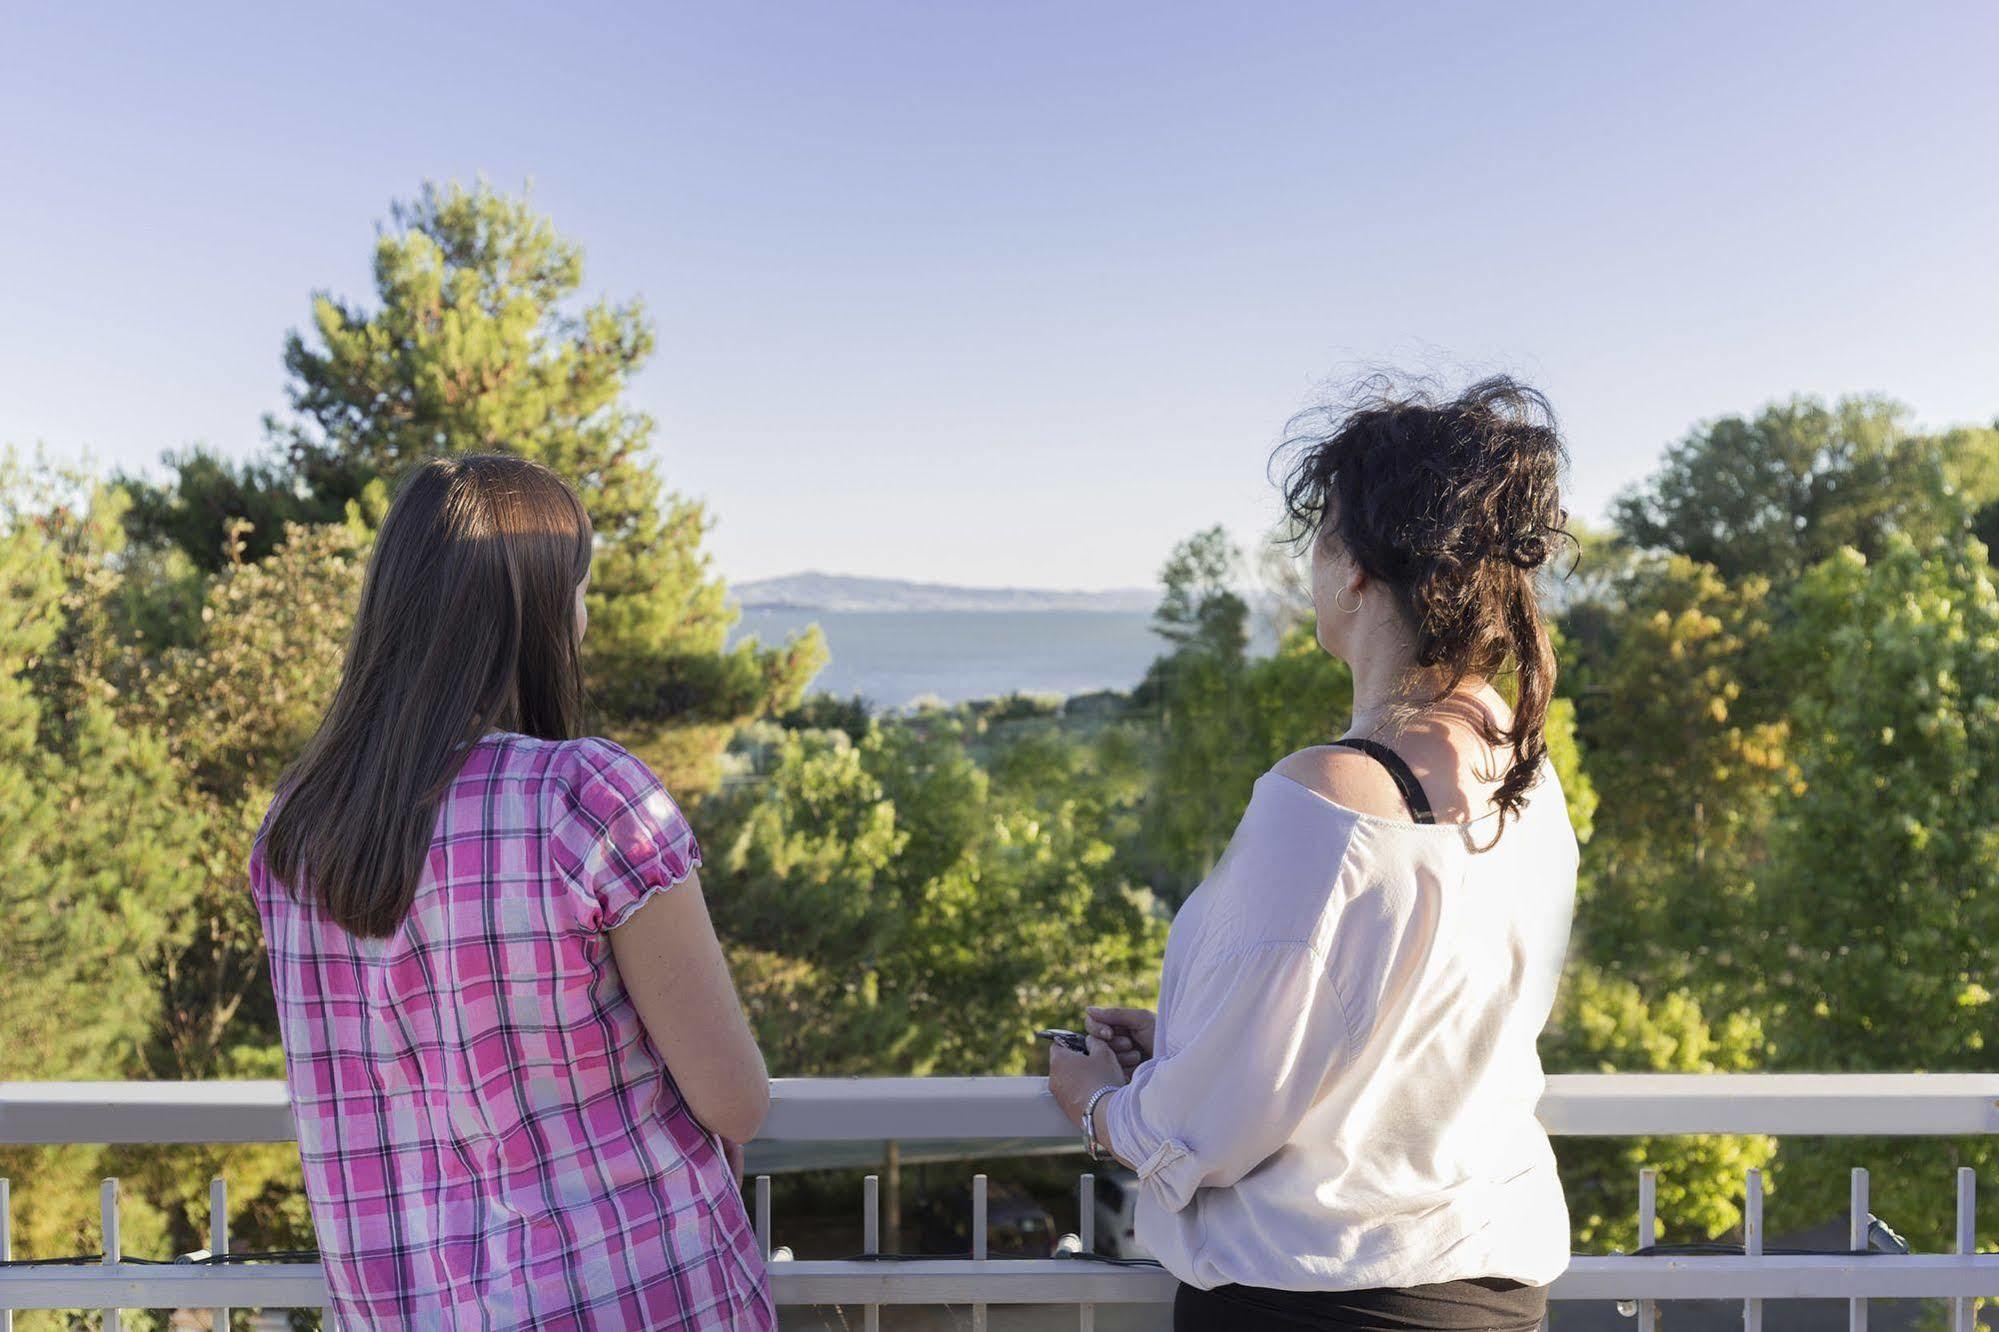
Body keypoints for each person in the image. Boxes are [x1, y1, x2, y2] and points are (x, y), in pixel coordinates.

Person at [1049, 377, 1580, 1331]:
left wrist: (1100, 1107)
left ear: (1357, 570)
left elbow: (1198, 1133)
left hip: (1324, 1304)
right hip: (1493, 1295)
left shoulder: (1326, 801)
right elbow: (1404, 1025)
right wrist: (1194, 1033)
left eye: (1320, 533)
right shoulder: (1517, 764)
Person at [251, 455, 774, 1330]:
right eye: (578, 587)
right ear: (529, 608)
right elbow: (734, 1099)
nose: (584, 613)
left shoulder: (294, 836)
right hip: (627, 1299)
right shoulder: (584, 797)